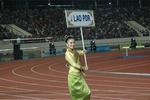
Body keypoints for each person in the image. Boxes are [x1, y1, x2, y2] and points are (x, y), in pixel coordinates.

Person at [65, 35, 91, 100]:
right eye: (70, 43)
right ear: (67, 44)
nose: (73, 44)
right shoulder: (67, 54)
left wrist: (83, 51)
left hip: (79, 76)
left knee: (87, 92)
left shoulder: (74, 51)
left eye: (73, 42)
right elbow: (73, 64)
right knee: (76, 96)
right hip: (73, 76)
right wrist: (83, 68)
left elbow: (78, 52)